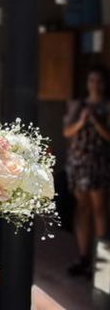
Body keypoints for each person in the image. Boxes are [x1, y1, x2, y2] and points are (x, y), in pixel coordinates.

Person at [63, 66, 110, 278]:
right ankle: (83, 257)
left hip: (98, 161)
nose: (95, 85)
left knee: (99, 209)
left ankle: (102, 264)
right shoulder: (79, 105)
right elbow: (67, 131)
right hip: (79, 161)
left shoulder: (107, 106)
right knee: (82, 208)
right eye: (92, 80)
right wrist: (82, 120)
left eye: (99, 81)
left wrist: (96, 122)